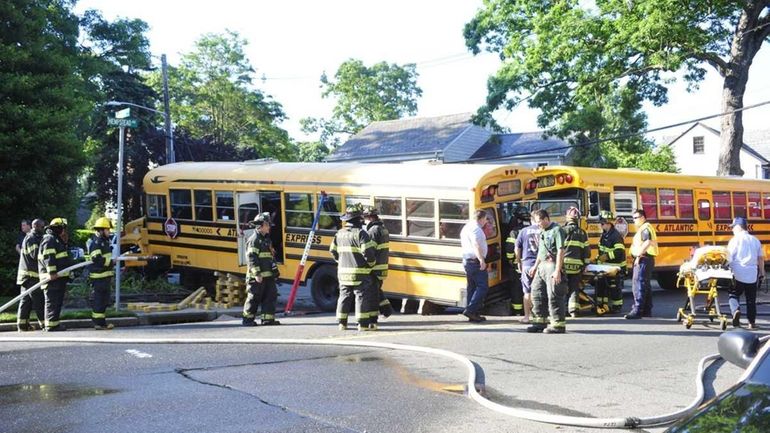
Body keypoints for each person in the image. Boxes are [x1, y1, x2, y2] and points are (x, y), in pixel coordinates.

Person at [330, 204, 378, 331]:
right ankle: (362, 324)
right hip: (359, 272)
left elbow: (333, 251)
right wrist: (372, 264)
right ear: (358, 219)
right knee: (361, 296)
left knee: (344, 296)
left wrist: (340, 262)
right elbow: (368, 253)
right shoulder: (361, 233)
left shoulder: (339, 233)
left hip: (342, 272)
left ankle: (342, 323)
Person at [527, 209, 568, 334]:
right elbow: (541, 251)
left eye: (539, 221)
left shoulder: (557, 230)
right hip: (542, 266)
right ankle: (539, 322)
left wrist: (557, 270)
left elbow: (560, 251)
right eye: (536, 222)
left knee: (554, 296)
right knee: (537, 293)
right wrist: (535, 267)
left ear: (546, 219)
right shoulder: (543, 231)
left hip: (552, 265)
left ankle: (558, 324)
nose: (538, 224)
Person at [242, 212, 281, 326]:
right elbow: (251, 258)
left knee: (271, 296)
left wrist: (274, 271)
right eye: (267, 225)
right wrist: (257, 274)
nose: (269, 227)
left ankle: (267, 319)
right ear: (261, 225)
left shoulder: (266, 240)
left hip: (268, 276)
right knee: (254, 297)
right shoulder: (254, 240)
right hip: (257, 277)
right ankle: (247, 320)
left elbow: (270, 258)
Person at [726, 216, 765, 329]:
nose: (732, 230)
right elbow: (761, 258)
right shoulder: (755, 240)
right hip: (752, 274)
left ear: (738, 227)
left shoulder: (734, 240)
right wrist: (762, 273)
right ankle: (751, 322)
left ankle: (735, 311)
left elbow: (729, 257)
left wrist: (725, 267)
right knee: (751, 299)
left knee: (733, 294)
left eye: (733, 227)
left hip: (737, 273)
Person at [37, 217, 72, 332]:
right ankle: (51, 325)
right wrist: (52, 272)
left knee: (56, 302)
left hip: (58, 278)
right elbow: (48, 256)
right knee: (52, 302)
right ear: (58, 228)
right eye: (63, 228)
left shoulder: (55, 239)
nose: (64, 231)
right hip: (51, 278)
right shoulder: (49, 239)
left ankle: (54, 324)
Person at [625, 209, 658, 319]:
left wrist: (639, 255)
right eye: (633, 218)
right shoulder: (645, 228)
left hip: (644, 259)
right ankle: (646, 310)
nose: (634, 220)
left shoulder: (645, 228)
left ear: (643, 217)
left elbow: (647, 242)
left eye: (636, 218)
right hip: (646, 259)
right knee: (645, 285)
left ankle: (637, 310)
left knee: (639, 284)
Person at [460, 209, 490, 323]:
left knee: (472, 287)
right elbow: (476, 244)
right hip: (475, 261)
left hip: (468, 261)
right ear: (481, 218)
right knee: (483, 286)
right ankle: (471, 310)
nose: (486, 222)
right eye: (486, 219)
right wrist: (481, 259)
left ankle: (473, 313)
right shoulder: (476, 229)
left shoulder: (467, 227)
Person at [16, 218, 46, 331]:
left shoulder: (31, 237)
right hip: (31, 276)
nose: (43, 229)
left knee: (26, 301)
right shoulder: (32, 238)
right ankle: (45, 324)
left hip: (26, 276)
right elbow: (36, 255)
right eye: (41, 227)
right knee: (39, 300)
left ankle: (22, 325)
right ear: (36, 227)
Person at [363, 206, 394, 318]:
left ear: (370, 218)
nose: (364, 221)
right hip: (382, 267)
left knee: (372, 292)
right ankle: (386, 310)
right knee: (376, 290)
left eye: (365, 218)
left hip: (374, 267)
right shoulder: (383, 229)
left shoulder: (373, 231)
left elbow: (370, 250)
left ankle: (374, 316)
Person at [86, 217, 115, 330]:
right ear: (101, 230)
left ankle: (102, 323)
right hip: (99, 277)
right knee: (99, 300)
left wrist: (111, 263)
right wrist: (110, 262)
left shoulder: (104, 242)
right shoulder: (96, 243)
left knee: (104, 301)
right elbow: (96, 259)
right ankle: (98, 323)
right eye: (107, 230)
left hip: (105, 276)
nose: (109, 232)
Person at [597, 211, 627, 313]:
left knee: (614, 287)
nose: (601, 226)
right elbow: (602, 250)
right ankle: (603, 305)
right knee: (603, 285)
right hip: (606, 267)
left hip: (616, 267)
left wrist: (606, 257)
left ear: (609, 223)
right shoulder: (604, 235)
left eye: (602, 224)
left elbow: (619, 251)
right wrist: (597, 258)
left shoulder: (615, 235)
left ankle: (616, 307)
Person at [563, 207, 591, 318]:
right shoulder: (582, 233)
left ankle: (563, 309)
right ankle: (573, 310)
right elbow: (586, 251)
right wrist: (586, 264)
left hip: (564, 265)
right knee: (574, 287)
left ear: (567, 218)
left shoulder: (562, 230)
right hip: (577, 266)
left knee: (563, 287)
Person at [514, 211, 540, 324]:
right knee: (541, 291)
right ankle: (540, 315)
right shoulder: (543, 230)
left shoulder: (523, 231)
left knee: (527, 291)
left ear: (531, 219)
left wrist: (519, 262)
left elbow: (517, 248)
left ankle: (526, 317)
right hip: (540, 265)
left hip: (527, 264)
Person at [504, 209, 527, 316]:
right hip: (532, 264)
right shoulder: (536, 229)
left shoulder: (514, 232)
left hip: (518, 264)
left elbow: (509, 248)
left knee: (517, 287)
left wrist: (510, 259)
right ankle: (531, 309)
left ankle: (518, 310)